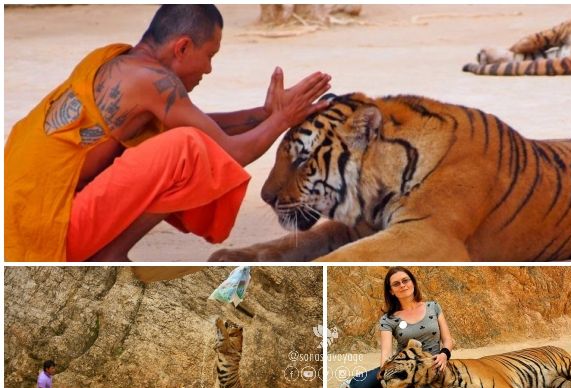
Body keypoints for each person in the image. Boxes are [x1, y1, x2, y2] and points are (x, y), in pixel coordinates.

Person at [5, 4, 331, 262]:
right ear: (183, 47)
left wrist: (265, 115)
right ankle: (110, 255)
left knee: (180, 141)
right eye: (209, 56)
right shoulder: (152, 82)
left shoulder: (122, 62)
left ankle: (105, 251)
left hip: (25, 226)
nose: (208, 69)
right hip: (46, 238)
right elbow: (230, 152)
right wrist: (283, 119)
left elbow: (204, 124)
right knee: (185, 150)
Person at [339, 267, 453, 388]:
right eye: (396, 284)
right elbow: (386, 353)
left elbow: (448, 339)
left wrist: (444, 355)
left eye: (405, 280)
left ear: (413, 283)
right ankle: (354, 384)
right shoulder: (388, 319)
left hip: (433, 368)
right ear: (391, 291)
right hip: (400, 367)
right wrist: (385, 374)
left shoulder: (433, 307)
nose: (402, 285)